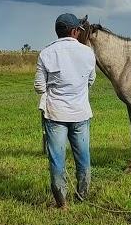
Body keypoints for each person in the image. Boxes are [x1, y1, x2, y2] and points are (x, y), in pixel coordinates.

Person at [34, 13, 96, 209]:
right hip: (81, 113)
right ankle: (83, 195)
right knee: (83, 156)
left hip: (55, 115)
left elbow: (38, 85)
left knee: (57, 159)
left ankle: (61, 202)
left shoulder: (46, 53)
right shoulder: (87, 53)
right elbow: (91, 80)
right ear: (74, 31)